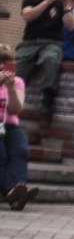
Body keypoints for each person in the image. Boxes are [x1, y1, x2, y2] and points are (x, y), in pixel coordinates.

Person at [17, 0, 66, 116]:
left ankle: (47, 99)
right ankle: (14, 101)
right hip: (30, 43)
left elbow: (71, 26)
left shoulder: (60, 4)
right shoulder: (31, 0)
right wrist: (47, 2)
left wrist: (67, 6)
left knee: (50, 58)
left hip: (51, 43)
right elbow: (27, 16)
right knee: (21, 68)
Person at [0, 43, 37, 211]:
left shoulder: (17, 82)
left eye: (5, 62)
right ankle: (14, 193)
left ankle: (15, 191)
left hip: (9, 126)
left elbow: (15, 109)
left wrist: (10, 89)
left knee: (20, 148)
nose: (2, 65)